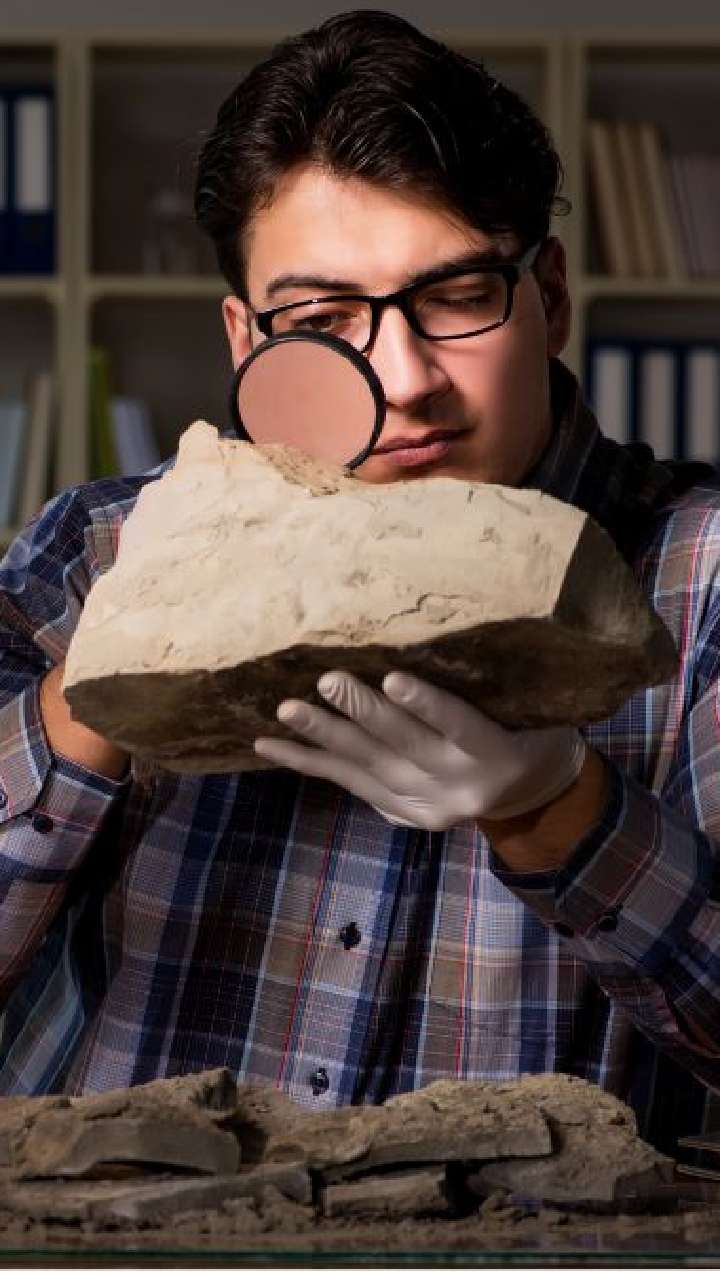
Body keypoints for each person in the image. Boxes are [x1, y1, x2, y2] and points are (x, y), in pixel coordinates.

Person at [0, 10, 718, 1163]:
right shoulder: (92, 548)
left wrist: (562, 815)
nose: (405, 379)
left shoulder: (706, 571)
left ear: (551, 294)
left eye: (457, 294)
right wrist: (100, 688)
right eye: (324, 319)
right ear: (246, 340)